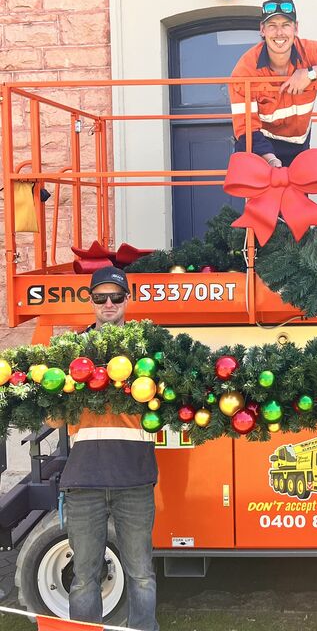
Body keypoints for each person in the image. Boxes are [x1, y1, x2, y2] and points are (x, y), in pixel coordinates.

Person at [56, 266, 159, 631]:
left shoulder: (150, 351)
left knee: (142, 575)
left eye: (116, 296)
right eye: (100, 297)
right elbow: (54, 418)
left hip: (135, 480)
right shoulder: (72, 353)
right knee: (84, 577)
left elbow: (165, 411)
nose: (109, 303)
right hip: (84, 482)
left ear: (127, 300)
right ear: (92, 301)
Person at [229, 0, 317, 167]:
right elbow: (245, 130)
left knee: (299, 194)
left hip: (298, 146)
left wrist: (310, 73)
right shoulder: (245, 69)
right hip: (258, 148)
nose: (279, 33)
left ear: (296, 28)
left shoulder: (310, 51)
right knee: (266, 193)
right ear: (262, 30)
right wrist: (272, 161)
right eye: (272, 26)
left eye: (286, 25)